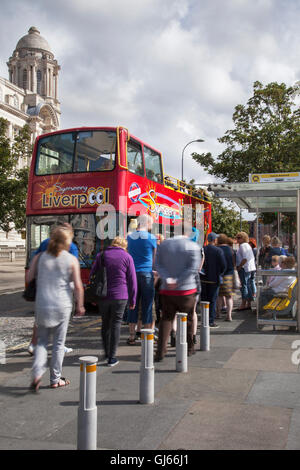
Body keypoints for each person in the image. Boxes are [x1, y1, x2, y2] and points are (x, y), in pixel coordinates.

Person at [28, 227, 85, 392]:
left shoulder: (39, 257)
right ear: (67, 242)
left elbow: (29, 277)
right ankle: (55, 378)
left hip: (42, 304)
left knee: (42, 342)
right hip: (62, 305)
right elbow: (78, 287)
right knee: (59, 343)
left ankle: (37, 374)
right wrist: (80, 306)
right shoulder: (70, 259)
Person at [27, 222, 78, 356]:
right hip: (62, 290)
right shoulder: (71, 246)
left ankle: (33, 344)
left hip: (43, 285)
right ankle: (60, 345)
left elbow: (34, 259)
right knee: (62, 320)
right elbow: (74, 269)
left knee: (39, 319)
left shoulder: (45, 242)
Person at [154, 227, 201, 360]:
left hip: (167, 290)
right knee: (189, 319)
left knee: (166, 319)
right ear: (187, 233)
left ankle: (160, 352)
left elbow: (158, 264)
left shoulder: (164, 245)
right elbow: (193, 269)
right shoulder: (193, 246)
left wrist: (168, 279)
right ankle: (189, 348)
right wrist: (179, 281)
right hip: (187, 290)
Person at [90, 237, 137, 366]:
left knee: (105, 324)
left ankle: (106, 352)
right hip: (121, 296)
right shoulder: (127, 257)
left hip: (104, 296)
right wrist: (133, 299)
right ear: (124, 246)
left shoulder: (101, 255)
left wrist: (94, 296)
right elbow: (132, 281)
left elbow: (92, 275)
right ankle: (112, 357)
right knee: (116, 324)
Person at [126, 214, 157, 345]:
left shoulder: (129, 237)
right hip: (147, 274)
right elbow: (155, 258)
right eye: (151, 224)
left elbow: (127, 255)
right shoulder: (151, 238)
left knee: (133, 304)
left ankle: (132, 335)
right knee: (148, 304)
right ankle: (148, 334)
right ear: (147, 223)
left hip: (133, 274)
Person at [200, 232, 227, 328]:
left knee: (204, 300)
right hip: (214, 279)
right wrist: (220, 273)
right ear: (215, 240)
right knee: (212, 300)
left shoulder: (202, 249)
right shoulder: (218, 251)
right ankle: (210, 320)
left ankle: (203, 320)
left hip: (203, 279)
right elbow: (223, 265)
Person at [216, 234, 235, 322]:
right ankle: (229, 315)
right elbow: (234, 262)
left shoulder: (217, 249)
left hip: (219, 275)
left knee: (219, 296)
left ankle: (218, 314)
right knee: (229, 296)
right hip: (229, 275)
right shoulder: (231, 249)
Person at [235, 232, 256, 311]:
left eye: (239, 237)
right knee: (248, 285)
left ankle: (243, 304)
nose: (237, 239)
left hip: (244, 268)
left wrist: (239, 267)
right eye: (237, 237)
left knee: (244, 286)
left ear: (243, 238)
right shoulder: (247, 245)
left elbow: (245, 258)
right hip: (249, 268)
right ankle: (248, 303)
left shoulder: (243, 246)